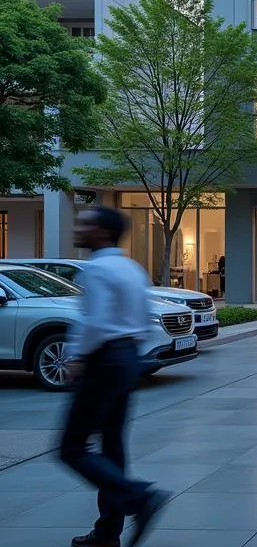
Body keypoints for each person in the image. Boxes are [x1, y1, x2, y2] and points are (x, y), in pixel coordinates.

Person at [60, 207, 169, 547]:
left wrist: (77, 357)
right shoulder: (132, 269)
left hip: (104, 359)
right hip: (126, 359)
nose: (78, 228)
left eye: (85, 224)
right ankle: (108, 533)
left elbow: (94, 320)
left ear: (102, 233)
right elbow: (144, 318)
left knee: (72, 448)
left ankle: (140, 497)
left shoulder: (98, 270)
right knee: (112, 448)